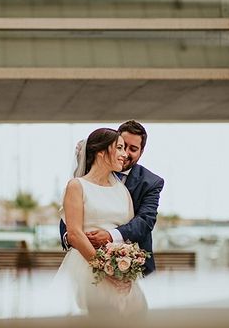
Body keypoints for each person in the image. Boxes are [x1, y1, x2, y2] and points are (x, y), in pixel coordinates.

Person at [55, 127, 148, 315]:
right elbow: (74, 234)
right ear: (101, 151)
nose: (124, 155)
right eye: (119, 148)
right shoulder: (77, 186)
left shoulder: (121, 190)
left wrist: (124, 267)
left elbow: (127, 232)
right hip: (86, 267)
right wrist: (104, 270)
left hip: (120, 271)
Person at [60, 120, 164, 276]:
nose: (126, 154)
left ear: (141, 152)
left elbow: (144, 221)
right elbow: (71, 217)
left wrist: (110, 236)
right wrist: (72, 237)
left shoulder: (150, 182)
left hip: (129, 265)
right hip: (84, 261)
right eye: (121, 146)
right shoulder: (82, 180)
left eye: (133, 149)